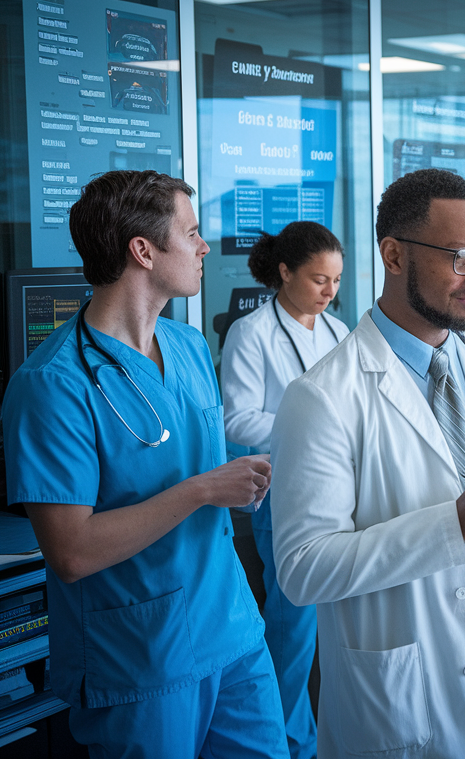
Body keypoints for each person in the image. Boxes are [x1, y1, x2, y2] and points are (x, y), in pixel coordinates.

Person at [269, 169, 465, 758]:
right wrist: (453, 525)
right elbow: (302, 569)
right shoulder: (322, 398)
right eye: (462, 257)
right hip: (407, 692)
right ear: (394, 255)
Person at [1, 170, 288, 758]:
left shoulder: (185, 346)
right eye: (192, 232)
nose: (206, 245)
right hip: (139, 658)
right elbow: (72, 552)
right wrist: (203, 490)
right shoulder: (53, 385)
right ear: (143, 251)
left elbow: (201, 459)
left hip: (231, 631)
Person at [221, 221, 349, 759]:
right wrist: (308, 428)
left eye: (336, 281)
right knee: (292, 634)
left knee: (337, 632)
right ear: (284, 272)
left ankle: (322, 738)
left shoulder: (340, 333)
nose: (329, 291)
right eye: (319, 279)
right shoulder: (252, 334)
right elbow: (236, 419)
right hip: (285, 491)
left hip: (341, 490)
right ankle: (289, 744)